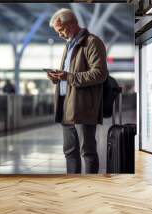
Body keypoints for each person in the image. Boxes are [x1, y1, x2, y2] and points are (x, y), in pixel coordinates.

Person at [46, 8, 108, 174]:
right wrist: (57, 77)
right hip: (66, 106)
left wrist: (69, 77)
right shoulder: (69, 45)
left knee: (87, 152)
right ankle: (73, 187)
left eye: (62, 30)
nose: (60, 35)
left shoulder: (92, 42)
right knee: (69, 152)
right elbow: (69, 75)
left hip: (82, 107)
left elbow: (100, 74)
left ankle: (90, 188)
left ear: (72, 23)